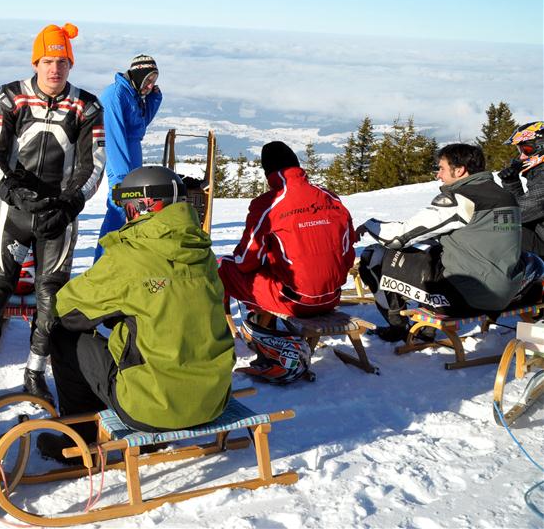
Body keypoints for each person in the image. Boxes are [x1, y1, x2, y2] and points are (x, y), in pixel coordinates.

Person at [38, 166, 234, 461]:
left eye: (127, 208)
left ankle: (80, 443)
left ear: (141, 207)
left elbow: (68, 310)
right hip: (213, 399)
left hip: (150, 409)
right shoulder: (201, 251)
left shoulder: (130, 256)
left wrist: (57, 292)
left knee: (64, 338)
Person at [0, 23, 106, 411]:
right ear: (35, 62)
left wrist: (68, 204)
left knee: (52, 302)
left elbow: (93, 164)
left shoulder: (87, 106)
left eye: (62, 62)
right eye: (47, 61)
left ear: (71, 64)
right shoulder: (10, 97)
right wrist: (10, 190)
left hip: (59, 216)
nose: (54, 69)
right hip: (14, 211)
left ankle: (35, 373)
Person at [357, 143, 523, 341]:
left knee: (374, 256)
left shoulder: (461, 199)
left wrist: (370, 225)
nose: (438, 175)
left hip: (468, 298)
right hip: (508, 291)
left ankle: (398, 328)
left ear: (459, 170)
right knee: (433, 252)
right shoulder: (505, 196)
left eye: (442, 168)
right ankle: (427, 330)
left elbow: (397, 237)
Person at [217, 141, 356, 319]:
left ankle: (248, 325)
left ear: (268, 173)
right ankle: (262, 319)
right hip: (332, 297)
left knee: (224, 266)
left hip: (293, 301)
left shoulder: (268, 204)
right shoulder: (331, 198)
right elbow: (347, 252)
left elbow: (245, 261)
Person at [95, 54, 162, 260]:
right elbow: (113, 135)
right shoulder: (115, 94)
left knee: (134, 209)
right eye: (148, 80)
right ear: (139, 75)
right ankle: (102, 261)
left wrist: (154, 99)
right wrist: (122, 178)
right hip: (120, 159)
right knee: (119, 208)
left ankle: (122, 261)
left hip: (132, 155)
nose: (150, 86)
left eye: (154, 81)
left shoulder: (134, 94)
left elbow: (139, 125)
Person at [497, 122, 544, 257]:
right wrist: (511, 182)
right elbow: (525, 207)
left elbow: (521, 211)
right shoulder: (539, 173)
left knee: (500, 226)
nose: (522, 157)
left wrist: (483, 216)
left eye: (526, 150)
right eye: (520, 150)